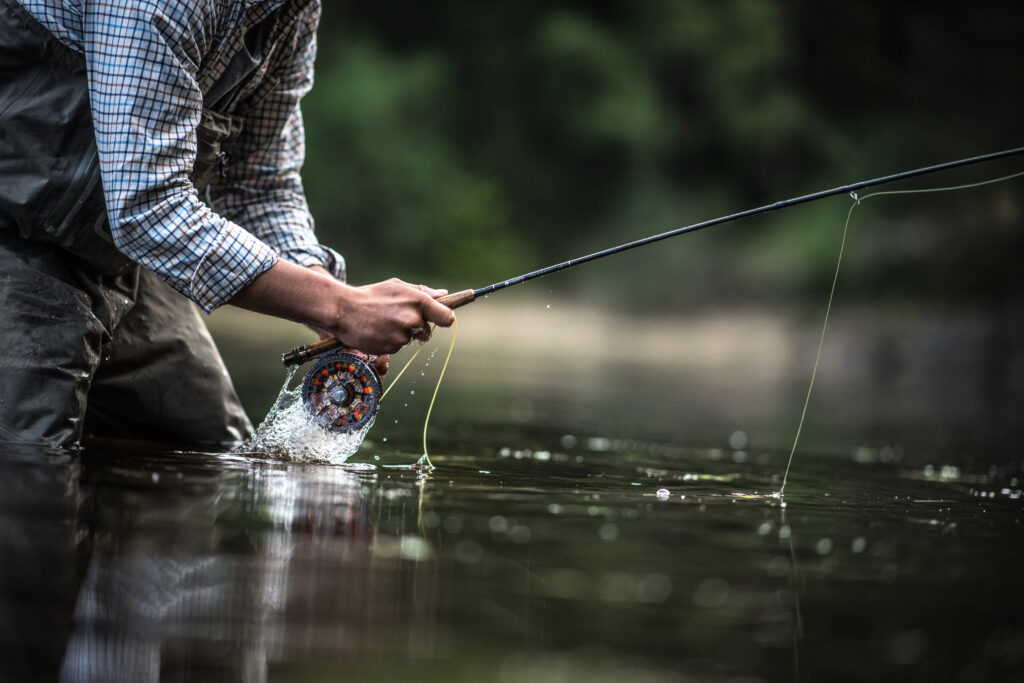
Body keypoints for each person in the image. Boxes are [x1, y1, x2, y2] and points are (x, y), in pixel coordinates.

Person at [0, 0, 454, 449]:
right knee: (30, 465)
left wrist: (333, 307)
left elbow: (259, 185)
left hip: (116, 253)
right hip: (16, 234)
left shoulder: (294, 10)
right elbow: (147, 209)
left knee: (215, 450)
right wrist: (338, 308)